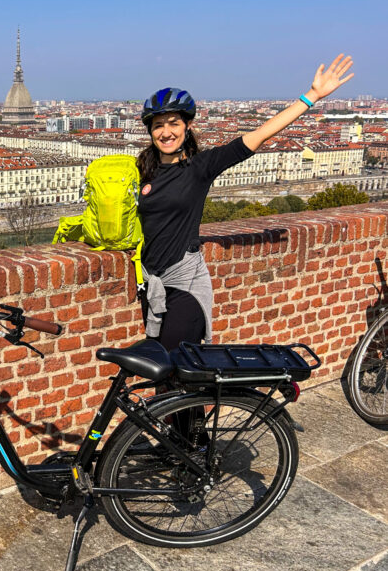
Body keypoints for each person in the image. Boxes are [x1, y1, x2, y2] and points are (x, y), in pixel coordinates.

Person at [138, 54, 354, 352]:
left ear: (187, 127)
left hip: (185, 283)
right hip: (152, 284)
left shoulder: (200, 167)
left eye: (174, 123)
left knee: (179, 370)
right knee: (163, 377)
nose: (166, 132)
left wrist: (312, 96)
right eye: (158, 125)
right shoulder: (142, 171)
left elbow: (258, 137)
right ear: (150, 131)